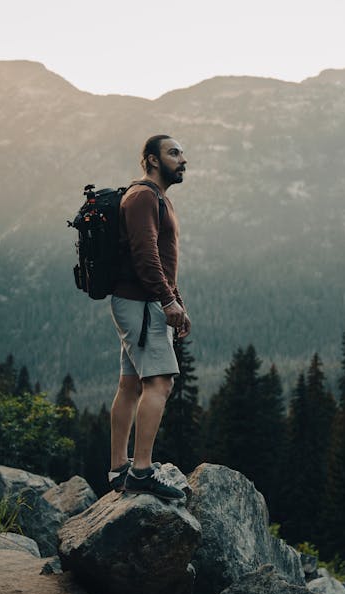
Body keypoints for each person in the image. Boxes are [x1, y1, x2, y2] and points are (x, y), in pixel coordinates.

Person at [107, 134, 190, 499]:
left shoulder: (158, 199)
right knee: (159, 384)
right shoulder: (143, 196)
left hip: (142, 301)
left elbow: (161, 259)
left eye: (182, 153)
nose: (182, 159)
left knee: (130, 385)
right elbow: (145, 254)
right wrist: (166, 302)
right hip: (142, 303)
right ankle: (141, 471)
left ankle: (118, 468)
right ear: (152, 160)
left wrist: (176, 300)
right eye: (174, 153)